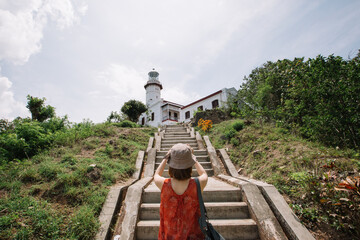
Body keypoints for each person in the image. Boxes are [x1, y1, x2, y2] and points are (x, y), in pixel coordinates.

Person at [154, 143, 208, 240]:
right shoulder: (198, 184)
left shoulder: (164, 184)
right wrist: (192, 158)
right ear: (190, 165)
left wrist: (166, 157)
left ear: (171, 165)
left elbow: (157, 174)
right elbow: (204, 173)